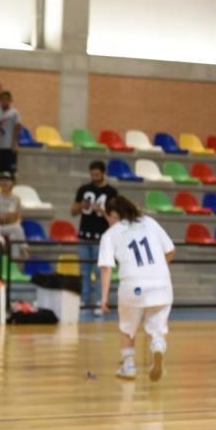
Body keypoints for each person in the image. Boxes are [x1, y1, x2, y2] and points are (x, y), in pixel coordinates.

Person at [98, 195, 175, 380]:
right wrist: (156, 270)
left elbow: (106, 268)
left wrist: (104, 298)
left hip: (133, 286)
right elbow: (170, 251)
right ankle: (157, 347)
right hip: (161, 284)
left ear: (112, 215)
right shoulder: (149, 222)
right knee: (157, 329)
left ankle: (129, 366)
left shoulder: (111, 234)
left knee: (127, 328)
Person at [72, 161, 119, 314]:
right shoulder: (84, 189)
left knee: (100, 272)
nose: (94, 177)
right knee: (84, 272)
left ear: (103, 173)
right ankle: (84, 301)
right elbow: (73, 210)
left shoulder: (111, 192)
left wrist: (102, 210)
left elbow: (115, 217)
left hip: (102, 239)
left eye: (97, 175)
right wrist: (82, 206)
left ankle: (100, 302)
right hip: (84, 237)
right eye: (92, 174)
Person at [0, 172, 27, 260]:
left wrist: (13, 220)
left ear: (12, 183)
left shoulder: (17, 198)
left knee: (14, 236)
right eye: (2, 180)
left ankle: (14, 263)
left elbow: (19, 217)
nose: (5, 183)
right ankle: (24, 249)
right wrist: (4, 217)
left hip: (12, 227)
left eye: (7, 180)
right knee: (17, 228)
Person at [0, 90, 20, 175]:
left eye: (6, 99)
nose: (4, 101)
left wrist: (15, 142)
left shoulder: (14, 112)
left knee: (11, 171)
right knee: (0, 169)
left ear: (10, 100)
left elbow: (18, 126)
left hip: (10, 146)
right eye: (2, 99)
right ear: (0, 100)